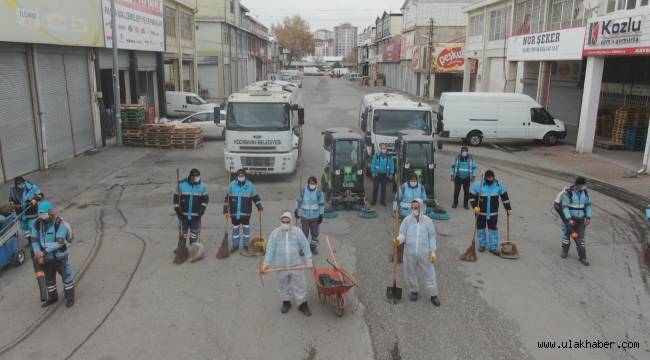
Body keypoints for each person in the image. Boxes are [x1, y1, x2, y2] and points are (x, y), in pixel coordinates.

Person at [261, 212, 313, 316]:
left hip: (296, 265)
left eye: (287, 222)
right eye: (283, 221)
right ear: (280, 221)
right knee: (282, 285)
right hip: (280, 266)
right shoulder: (275, 233)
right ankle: (286, 302)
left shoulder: (297, 232)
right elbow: (270, 249)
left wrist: (309, 261)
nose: (285, 223)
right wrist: (266, 264)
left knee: (300, 285)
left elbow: (305, 246)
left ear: (290, 222)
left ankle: (302, 304)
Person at [393, 199, 440, 306]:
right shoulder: (407, 220)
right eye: (412, 207)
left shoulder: (428, 221)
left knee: (429, 274)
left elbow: (432, 237)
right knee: (410, 273)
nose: (414, 209)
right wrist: (398, 240)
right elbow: (402, 234)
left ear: (421, 208)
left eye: (416, 207)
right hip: (410, 253)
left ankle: (433, 295)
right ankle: (414, 291)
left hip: (425, 253)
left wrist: (433, 252)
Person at [31, 201, 75, 307]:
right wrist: (38, 253)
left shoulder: (60, 224)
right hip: (47, 258)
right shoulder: (37, 224)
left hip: (60, 257)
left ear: (50, 213)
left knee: (66, 277)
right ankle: (53, 297)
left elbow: (59, 243)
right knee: (49, 279)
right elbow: (34, 240)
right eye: (40, 214)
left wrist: (44, 252)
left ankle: (70, 298)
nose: (42, 216)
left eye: (44, 214)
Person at [469, 170, 512, 256]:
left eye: (492, 177)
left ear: (494, 177)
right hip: (480, 213)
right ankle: (482, 245)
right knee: (480, 229)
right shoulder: (478, 185)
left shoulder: (498, 185)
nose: (490, 179)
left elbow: (505, 197)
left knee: (493, 230)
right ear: (485, 177)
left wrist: (508, 208)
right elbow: (471, 197)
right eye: (488, 178)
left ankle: (493, 247)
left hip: (493, 213)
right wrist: (474, 207)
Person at [224, 169, 263, 253]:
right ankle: (235, 245)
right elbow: (226, 199)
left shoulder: (250, 186)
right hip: (234, 213)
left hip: (246, 213)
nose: (241, 177)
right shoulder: (231, 185)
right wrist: (225, 210)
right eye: (239, 176)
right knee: (235, 229)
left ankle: (246, 245)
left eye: (242, 176)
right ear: (237, 176)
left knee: (246, 230)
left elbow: (256, 197)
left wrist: (259, 207)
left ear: (245, 176)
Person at [560, 177, 593, 266]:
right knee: (566, 237)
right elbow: (565, 207)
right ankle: (564, 251)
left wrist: (588, 217)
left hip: (581, 219)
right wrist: (569, 219)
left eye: (584, 185)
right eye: (582, 185)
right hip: (570, 220)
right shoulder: (568, 193)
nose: (583, 187)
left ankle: (583, 257)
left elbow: (588, 205)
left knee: (580, 239)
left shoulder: (585, 193)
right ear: (577, 184)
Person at [173, 168, 209, 248]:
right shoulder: (181, 185)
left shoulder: (203, 187)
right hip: (183, 215)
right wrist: (177, 208)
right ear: (190, 176)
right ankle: (181, 249)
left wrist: (202, 209)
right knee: (183, 233)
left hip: (195, 216)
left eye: (198, 176)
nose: (196, 178)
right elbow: (176, 198)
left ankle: (193, 248)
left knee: (194, 234)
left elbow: (205, 199)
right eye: (194, 176)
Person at [8, 176, 44, 246]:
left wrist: (35, 199)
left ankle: (38, 241)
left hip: (31, 212)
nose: (20, 185)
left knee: (32, 227)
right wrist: (11, 203)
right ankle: (30, 241)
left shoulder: (32, 187)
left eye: (21, 183)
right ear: (16, 184)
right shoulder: (13, 190)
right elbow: (11, 199)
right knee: (25, 228)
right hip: (21, 214)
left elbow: (41, 195)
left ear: (24, 182)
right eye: (18, 184)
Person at [295, 176, 325, 255]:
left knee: (315, 234)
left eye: (313, 183)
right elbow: (299, 202)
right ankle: (303, 249)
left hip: (315, 218)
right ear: (308, 183)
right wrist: (296, 210)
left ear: (316, 183)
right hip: (304, 217)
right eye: (311, 183)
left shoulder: (319, 193)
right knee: (304, 235)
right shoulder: (303, 191)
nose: (312, 184)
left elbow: (321, 204)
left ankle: (313, 248)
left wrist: (321, 215)